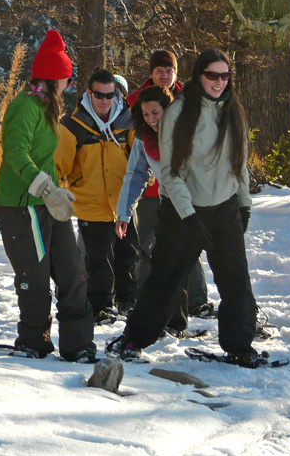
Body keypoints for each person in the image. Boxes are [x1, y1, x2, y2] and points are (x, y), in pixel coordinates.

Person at [117, 49, 260, 367]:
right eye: (212, 75)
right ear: (198, 76)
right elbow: (172, 173)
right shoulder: (180, 113)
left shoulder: (231, 108)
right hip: (183, 211)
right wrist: (189, 215)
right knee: (166, 278)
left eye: (225, 76)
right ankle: (133, 339)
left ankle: (239, 345)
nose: (219, 82)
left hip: (224, 207)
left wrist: (244, 203)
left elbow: (240, 161)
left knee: (236, 279)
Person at [0, 29, 96, 363]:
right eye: (67, 77)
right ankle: (32, 341)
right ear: (55, 79)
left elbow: (43, 157)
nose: (69, 83)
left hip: (47, 204)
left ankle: (78, 345)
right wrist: (44, 188)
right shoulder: (25, 107)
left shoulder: (45, 104)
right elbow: (16, 152)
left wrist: (56, 190)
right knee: (35, 280)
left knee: (73, 272)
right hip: (22, 208)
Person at [127, 50, 211, 318]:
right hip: (149, 190)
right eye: (159, 70)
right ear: (151, 73)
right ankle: (148, 296)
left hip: (185, 188)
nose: (164, 75)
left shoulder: (187, 101)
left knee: (190, 244)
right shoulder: (136, 101)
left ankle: (197, 300)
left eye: (169, 70)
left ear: (176, 73)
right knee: (146, 243)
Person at [55, 68, 139, 323]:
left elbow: (141, 159)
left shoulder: (129, 121)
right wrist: (55, 190)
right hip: (90, 204)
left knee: (129, 255)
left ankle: (129, 301)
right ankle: (100, 306)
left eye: (110, 95)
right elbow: (59, 165)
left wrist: (146, 181)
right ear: (89, 93)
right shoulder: (72, 125)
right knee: (98, 260)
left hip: (124, 204)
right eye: (99, 95)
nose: (104, 100)